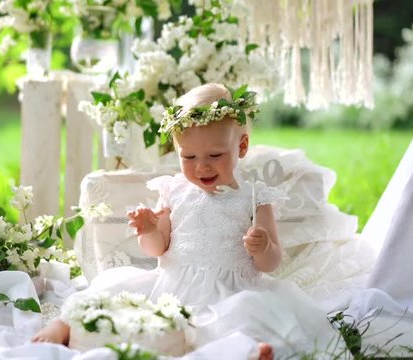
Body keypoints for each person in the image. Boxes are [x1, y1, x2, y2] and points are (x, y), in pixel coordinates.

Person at [32, 83, 339, 359]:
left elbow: (271, 262)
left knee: (238, 318)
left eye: (215, 155)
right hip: (168, 286)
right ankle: (65, 326)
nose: (201, 166)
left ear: (241, 147)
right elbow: (157, 249)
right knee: (112, 289)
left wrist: (263, 246)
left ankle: (244, 350)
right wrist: (150, 230)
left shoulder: (256, 197)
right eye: (188, 157)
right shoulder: (174, 190)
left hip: (228, 292)